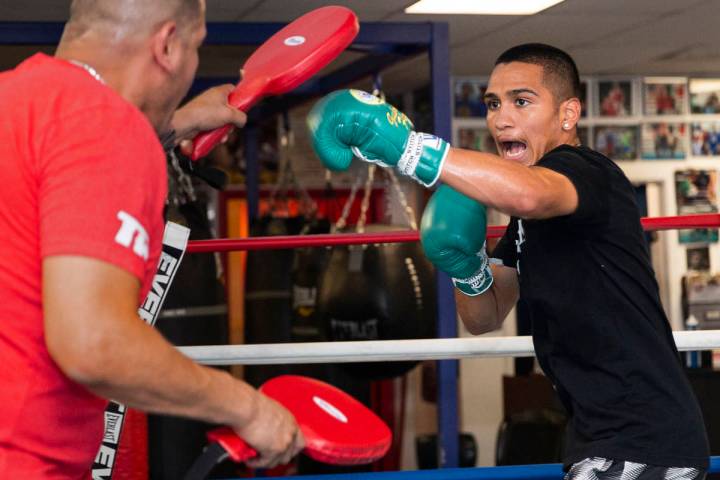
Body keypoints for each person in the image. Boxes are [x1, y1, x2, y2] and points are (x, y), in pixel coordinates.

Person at [307, 43, 709, 479]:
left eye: (522, 101)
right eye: (493, 104)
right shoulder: (526, 219)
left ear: (568, 115)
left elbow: (531, 192)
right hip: (598, 431)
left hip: (642, 433)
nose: (501, 118)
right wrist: (466, 268)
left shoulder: (587, 172)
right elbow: (486, 316)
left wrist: (407, 148)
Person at [0, 0, 304, 477]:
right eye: (196, 45)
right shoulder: (108, 128)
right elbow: (94, 342)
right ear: (167, 45)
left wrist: (172, 125)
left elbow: (65, 154)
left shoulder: (13, 98)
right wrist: (247, 408)